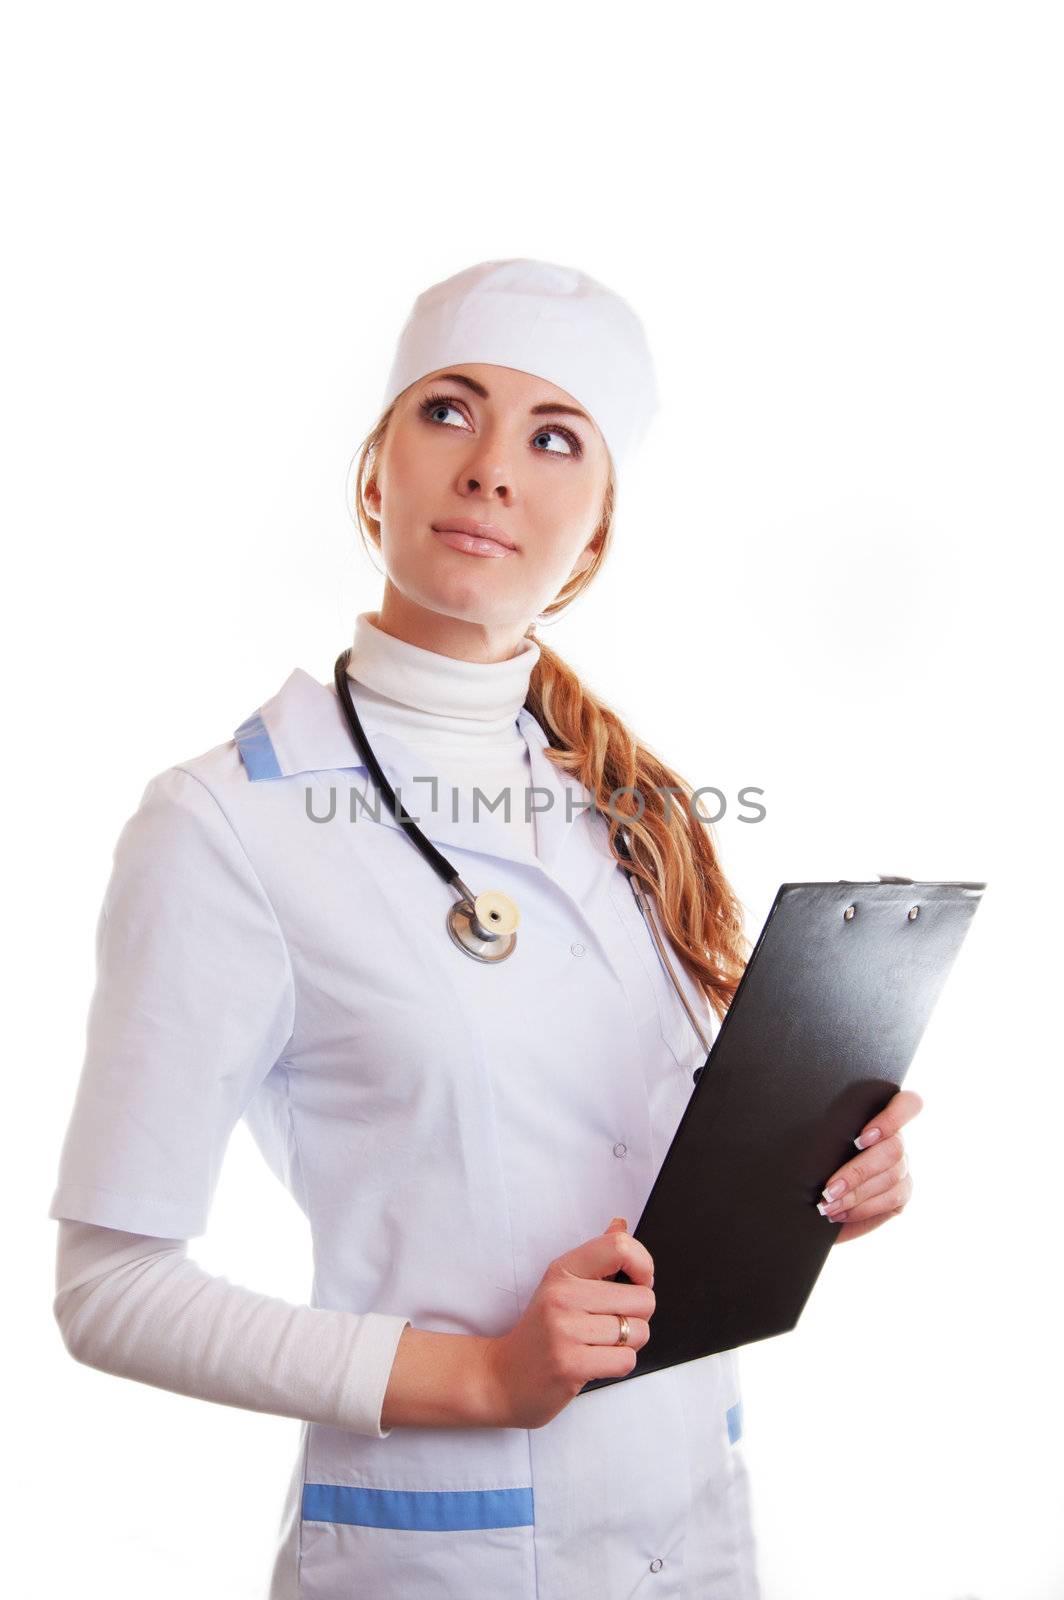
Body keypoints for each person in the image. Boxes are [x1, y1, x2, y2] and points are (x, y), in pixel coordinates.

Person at [48, 258, 922, 1599]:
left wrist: (826, 1173)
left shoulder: (637, 803)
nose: (493, 469)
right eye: (448, 412)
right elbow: (109, 1288)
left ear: (599, 526)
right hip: (439, 1551)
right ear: (376, 470)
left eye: (553, 435)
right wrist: (480, 1374)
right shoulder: (224, 822)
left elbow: (653, 1158)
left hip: (695, 1522)